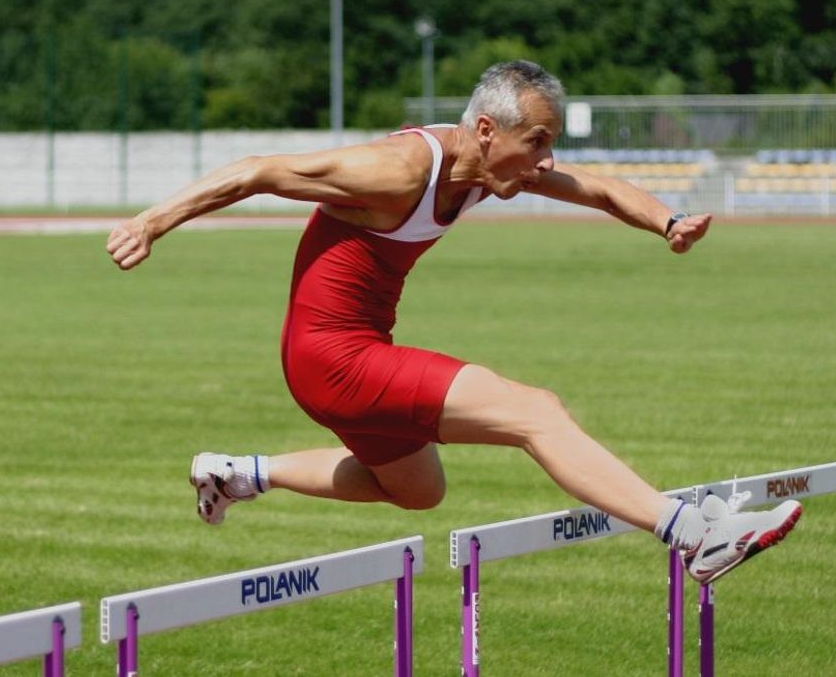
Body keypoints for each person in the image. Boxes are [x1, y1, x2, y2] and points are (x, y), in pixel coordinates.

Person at [106, 60, 800, 584]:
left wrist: (668, 222)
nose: (546, 162)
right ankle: (690, 535)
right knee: (534, 412)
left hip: (343, 358)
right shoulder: (398, 171)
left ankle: (241, 474)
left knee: (418, 492)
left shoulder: (495, 168)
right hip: (332, 356)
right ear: (488, 130)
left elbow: (596, 187)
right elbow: (259, 170)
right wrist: (151, 222)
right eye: (537, 143)